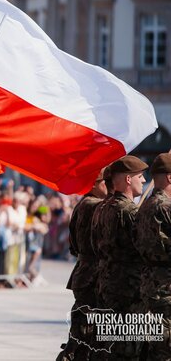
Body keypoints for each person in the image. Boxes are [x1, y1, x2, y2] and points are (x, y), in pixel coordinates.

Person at [94, 155, 148, 359]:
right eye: (140, 176)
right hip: (129, 287)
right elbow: (143, 248)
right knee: (128, 348)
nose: (143, 180)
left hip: (106, 283)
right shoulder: (130, 211)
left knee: (109, 345)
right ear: (128, 179)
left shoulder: (101, 208)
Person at [57, 168, 107, 361]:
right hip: (92, 272)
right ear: (94, 185)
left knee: (83, 326)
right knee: (86, 330)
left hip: (84, 270)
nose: (108, 187)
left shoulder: (83, 204)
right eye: (105, 183)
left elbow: (73, 246)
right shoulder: (93, 205)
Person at [134, 153, 171, 361]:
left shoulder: (144, 207)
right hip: (166, 290)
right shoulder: (166, 207)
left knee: (152, 349)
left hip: (148, 287)